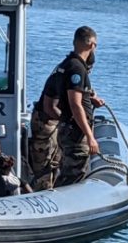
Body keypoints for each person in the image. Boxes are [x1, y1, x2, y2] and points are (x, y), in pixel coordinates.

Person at [29, 49, 95, 190]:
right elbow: (51, 107)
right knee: (45, 170)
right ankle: (45, 199)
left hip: (53, 122)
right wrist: (71, 122)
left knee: (57, 163)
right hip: (46, 124)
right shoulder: (74, 70)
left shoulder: (63, 68)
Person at [54, 26, 105, 187]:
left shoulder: (67, 64)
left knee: (68, 170)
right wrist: (90, 136)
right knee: (74, 175)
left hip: (66, 127)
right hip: (74, 131)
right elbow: (75, 104)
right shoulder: (77, 68)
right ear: (91, 44)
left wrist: (90, 99)